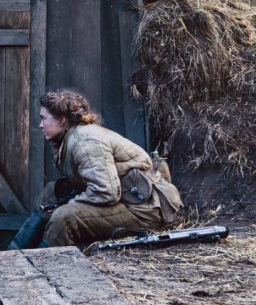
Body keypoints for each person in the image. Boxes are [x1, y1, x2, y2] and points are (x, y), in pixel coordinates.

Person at [9, 89, 181, 249]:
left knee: (64, 218)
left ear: (61, 120)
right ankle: (15, 256)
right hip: (126, 198)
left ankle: (45, 270)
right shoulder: (72, 137)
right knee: (51, 193)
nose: (40, 125)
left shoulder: (85, 141)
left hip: (145, 209)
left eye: (44, 118)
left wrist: (69, 204)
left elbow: (106, 191)